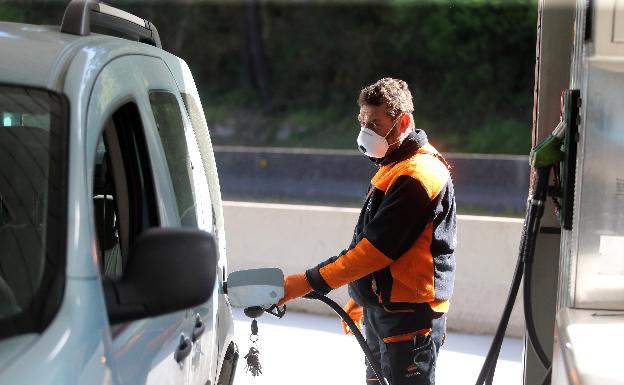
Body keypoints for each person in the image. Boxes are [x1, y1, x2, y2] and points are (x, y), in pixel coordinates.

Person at [278, 77, 456, 385]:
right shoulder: (393, 167)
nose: (366, 131)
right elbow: (371, 238)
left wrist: (307, 282)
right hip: (385, 309)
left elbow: (375, 250)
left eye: (375, 122)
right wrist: (362, 296)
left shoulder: (418, 175)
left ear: (404, 122)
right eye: (363, 121)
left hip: (408, 315)